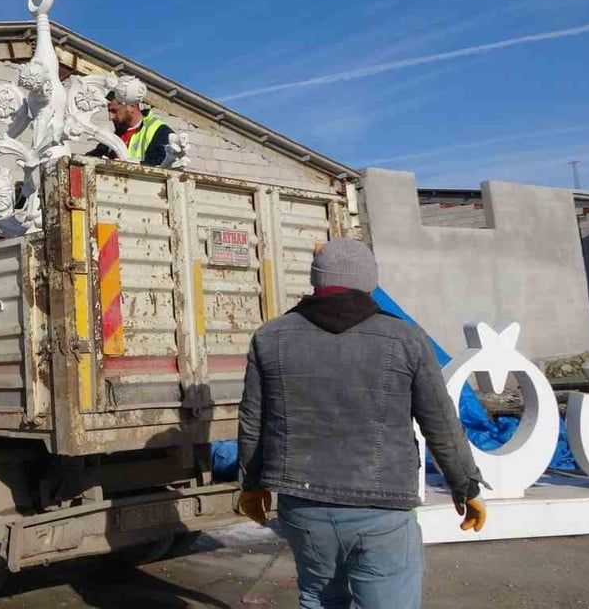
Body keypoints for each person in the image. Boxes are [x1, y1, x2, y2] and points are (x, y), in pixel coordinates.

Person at [236, 239, 487, 609]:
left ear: (315, 280)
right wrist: (465, 485)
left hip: (303, 507)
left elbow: (252, 419)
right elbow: (440, 422)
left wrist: (251, 485)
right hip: (382, 508)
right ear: (370, 281)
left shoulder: (270, 337)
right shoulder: (406, 338)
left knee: (319, 600)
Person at [84, 90, 174, 166]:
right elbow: (92, 159)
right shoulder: (116, 135)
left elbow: (159, 165)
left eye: (114, 111)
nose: (110, 117)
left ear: (131, 106)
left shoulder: (160, 132)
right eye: (109, 111)